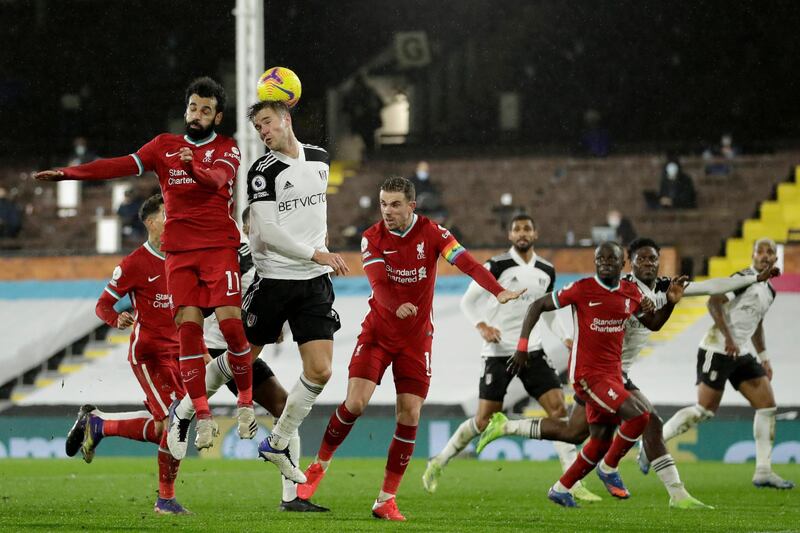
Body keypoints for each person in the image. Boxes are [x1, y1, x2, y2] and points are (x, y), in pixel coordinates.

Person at [35, 77, 256, 449]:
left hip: (219, 247)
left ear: (217, 117)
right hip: (181, 253)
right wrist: (71, 173)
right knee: (189, 330)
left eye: (205, 110)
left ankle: (246, 405)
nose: (197, 115)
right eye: (192, 107)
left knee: (232, 327)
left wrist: (195, 168)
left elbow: (217, 179)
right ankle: (202, 415)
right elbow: (118, 165)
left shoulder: (227, 148)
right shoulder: (164, 146)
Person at [295, 176, 525, 521]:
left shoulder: (434, 233)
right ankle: (319, 465)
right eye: (383, 204)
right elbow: (378, 283)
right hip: (378, 333)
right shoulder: (371, 237)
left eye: (395, 204)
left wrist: (497, 291)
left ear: (412, 206)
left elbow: (467, 263)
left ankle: (385, 499)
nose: (387, 211)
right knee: (355, 403)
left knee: (410, 415)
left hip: (416, 341)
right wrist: (395, 305)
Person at [422, 213, 601, 503]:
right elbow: (468, 301)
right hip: (499, 351)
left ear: (535, 233)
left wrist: (566, 336)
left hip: (534, 351)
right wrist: (482, 325)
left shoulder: (546, 270)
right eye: (517, 229)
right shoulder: (497, 265)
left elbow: (549, 310)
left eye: (527, 228)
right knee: (483, 420)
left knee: (559, 412)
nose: (522, 233)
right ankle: (438, 463)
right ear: (509, 235)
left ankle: (571, 482)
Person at [165, 206, 328, 512]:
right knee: (275, 403)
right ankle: (183, 411)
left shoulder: (267, 258)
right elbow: (205, 297)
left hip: (244, 346)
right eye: (263, 224)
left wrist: (272, 322)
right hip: (219, 347)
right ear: (247, 227)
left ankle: (291, 498)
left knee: (282, 407)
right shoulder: (234, 250)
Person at [496, 242, 663, 508]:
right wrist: (522, 346)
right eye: (600, 258)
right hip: (587, 375)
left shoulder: (630, 292)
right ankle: (608, 468)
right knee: (640, 416)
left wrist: (671, 302)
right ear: (595, 262)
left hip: (613, 376)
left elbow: (653, 324)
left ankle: (561, 488)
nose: (605, 262)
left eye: (612, 259)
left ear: (622, 265)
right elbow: (537, 306)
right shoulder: (582, 288)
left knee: (596, 439)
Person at [242, 99, 349, 484]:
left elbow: (311, 213)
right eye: (258, 128)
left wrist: (318, 253)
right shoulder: (261, 172)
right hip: (275, 281)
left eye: (267, 123)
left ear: (286, 119)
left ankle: (278, 440)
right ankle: (186, 408)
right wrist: (316, 252)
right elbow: (268, 232)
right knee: (241, 361)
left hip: (314, 282)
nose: (263, 132)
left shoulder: (320, 158)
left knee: (320, 370)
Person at [64, 194, 188, 515]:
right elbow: (103, 304)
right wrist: (116, 318)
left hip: (179, 355)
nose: (173, 219)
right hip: (149, 355)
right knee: (177, 421)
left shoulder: (184, 255)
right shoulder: (135, 264)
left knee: (164, 429)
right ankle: (165, 500)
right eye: (166, 215)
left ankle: (99, 425)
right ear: (150, 223)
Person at [662, 238, 794, 490]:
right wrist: (730, 339)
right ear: (753, 255)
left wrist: (764, 357)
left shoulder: (769, 290)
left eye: (770, 252)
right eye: (761, 251)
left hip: (740, 352)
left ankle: (764, 472)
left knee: (767, 406)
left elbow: (757, 323)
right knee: (705, 410)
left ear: (776, 259)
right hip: (717, 348)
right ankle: (654, 442)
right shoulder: (744, 278)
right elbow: (714, 301)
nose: (765, 256)